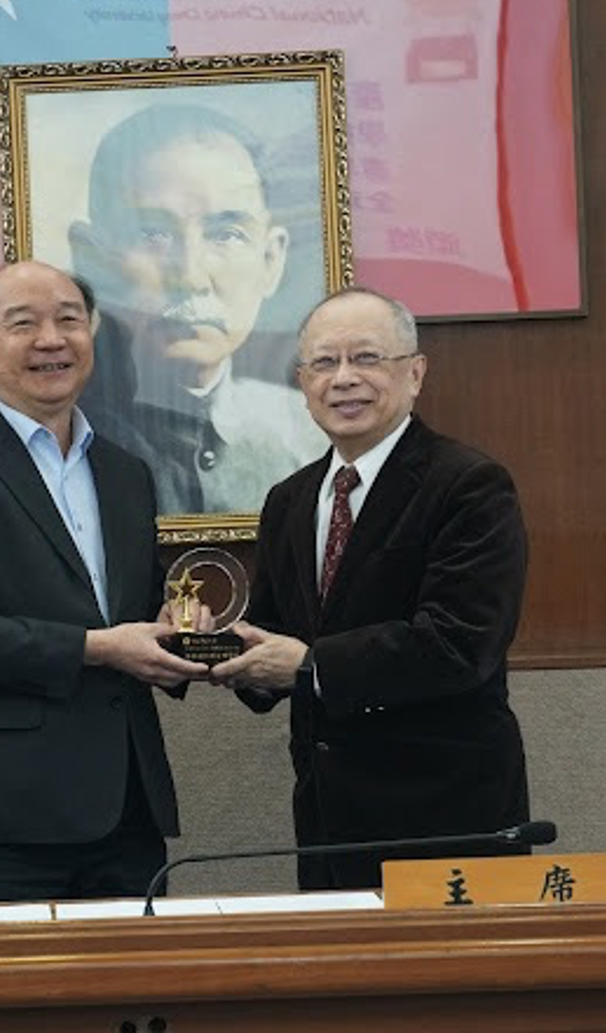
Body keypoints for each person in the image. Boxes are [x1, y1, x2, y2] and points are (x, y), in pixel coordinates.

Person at [0, 261, 202, 904]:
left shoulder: (126, 473)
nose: (51, 339)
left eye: (68, 319)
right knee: (1, 1006)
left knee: (135, 1002)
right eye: (21, 324)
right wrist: (99, 647)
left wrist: (180, 637)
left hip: (125, 812)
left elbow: (133, 614)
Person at [211, 288, 533, 890]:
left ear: (414, 374)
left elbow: (459, 645)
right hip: (328, 823)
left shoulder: (469, 486)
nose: (344, 379)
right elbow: (277, 637)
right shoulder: (291, 499)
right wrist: (211, 648)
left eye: (366, 358)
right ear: (301, 383)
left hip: (445, 818)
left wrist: (309, 664)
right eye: (324, 363)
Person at [67, 102, 325, 516]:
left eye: (226, 234)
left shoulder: (313, 432)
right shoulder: (58, 433)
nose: (191, 275)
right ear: (92, 260)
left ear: (270, 260)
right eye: (153, 234)